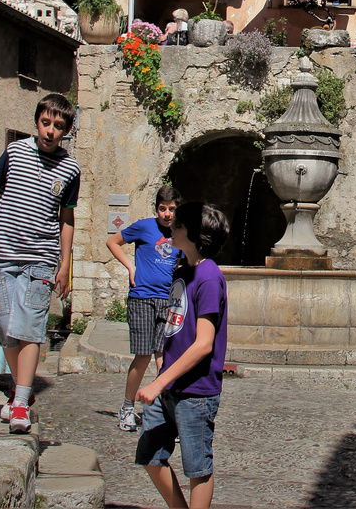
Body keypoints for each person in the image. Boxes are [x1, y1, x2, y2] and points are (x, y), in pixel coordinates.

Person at [0, 92, 80, 434]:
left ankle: (20, 401)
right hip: (2, 254)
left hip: (40, 259)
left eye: (58, 126)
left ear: (66, 130)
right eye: (46, 123)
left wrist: (64, 264)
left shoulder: (70, 169)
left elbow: (67, 218)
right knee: (4, 327)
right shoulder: (15, 152)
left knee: (31, 329)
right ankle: (21, 393)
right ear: (37, 121)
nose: (50, 131)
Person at [135, 202, 230, 509]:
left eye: (177, 226)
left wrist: (157, 382)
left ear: (193, 233)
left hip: (196, 391)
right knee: (150, 455)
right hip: (170, 385)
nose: (171, 228)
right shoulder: (183, 271)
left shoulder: (209, 277)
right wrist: (162, 357)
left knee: (197, 469)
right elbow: (175, 321)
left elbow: (204, 343)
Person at [107, 184, 180, 431]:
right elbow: (113, 242)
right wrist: (130, 266)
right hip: (141, 298)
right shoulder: (144, 226)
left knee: (164, 358)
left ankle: (164, 413)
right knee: (143, 355)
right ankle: (127, 408)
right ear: (156, 209)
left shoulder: (180, 234)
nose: (167, 214)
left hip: (166, 300)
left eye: (171, 209)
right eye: (162, 209)